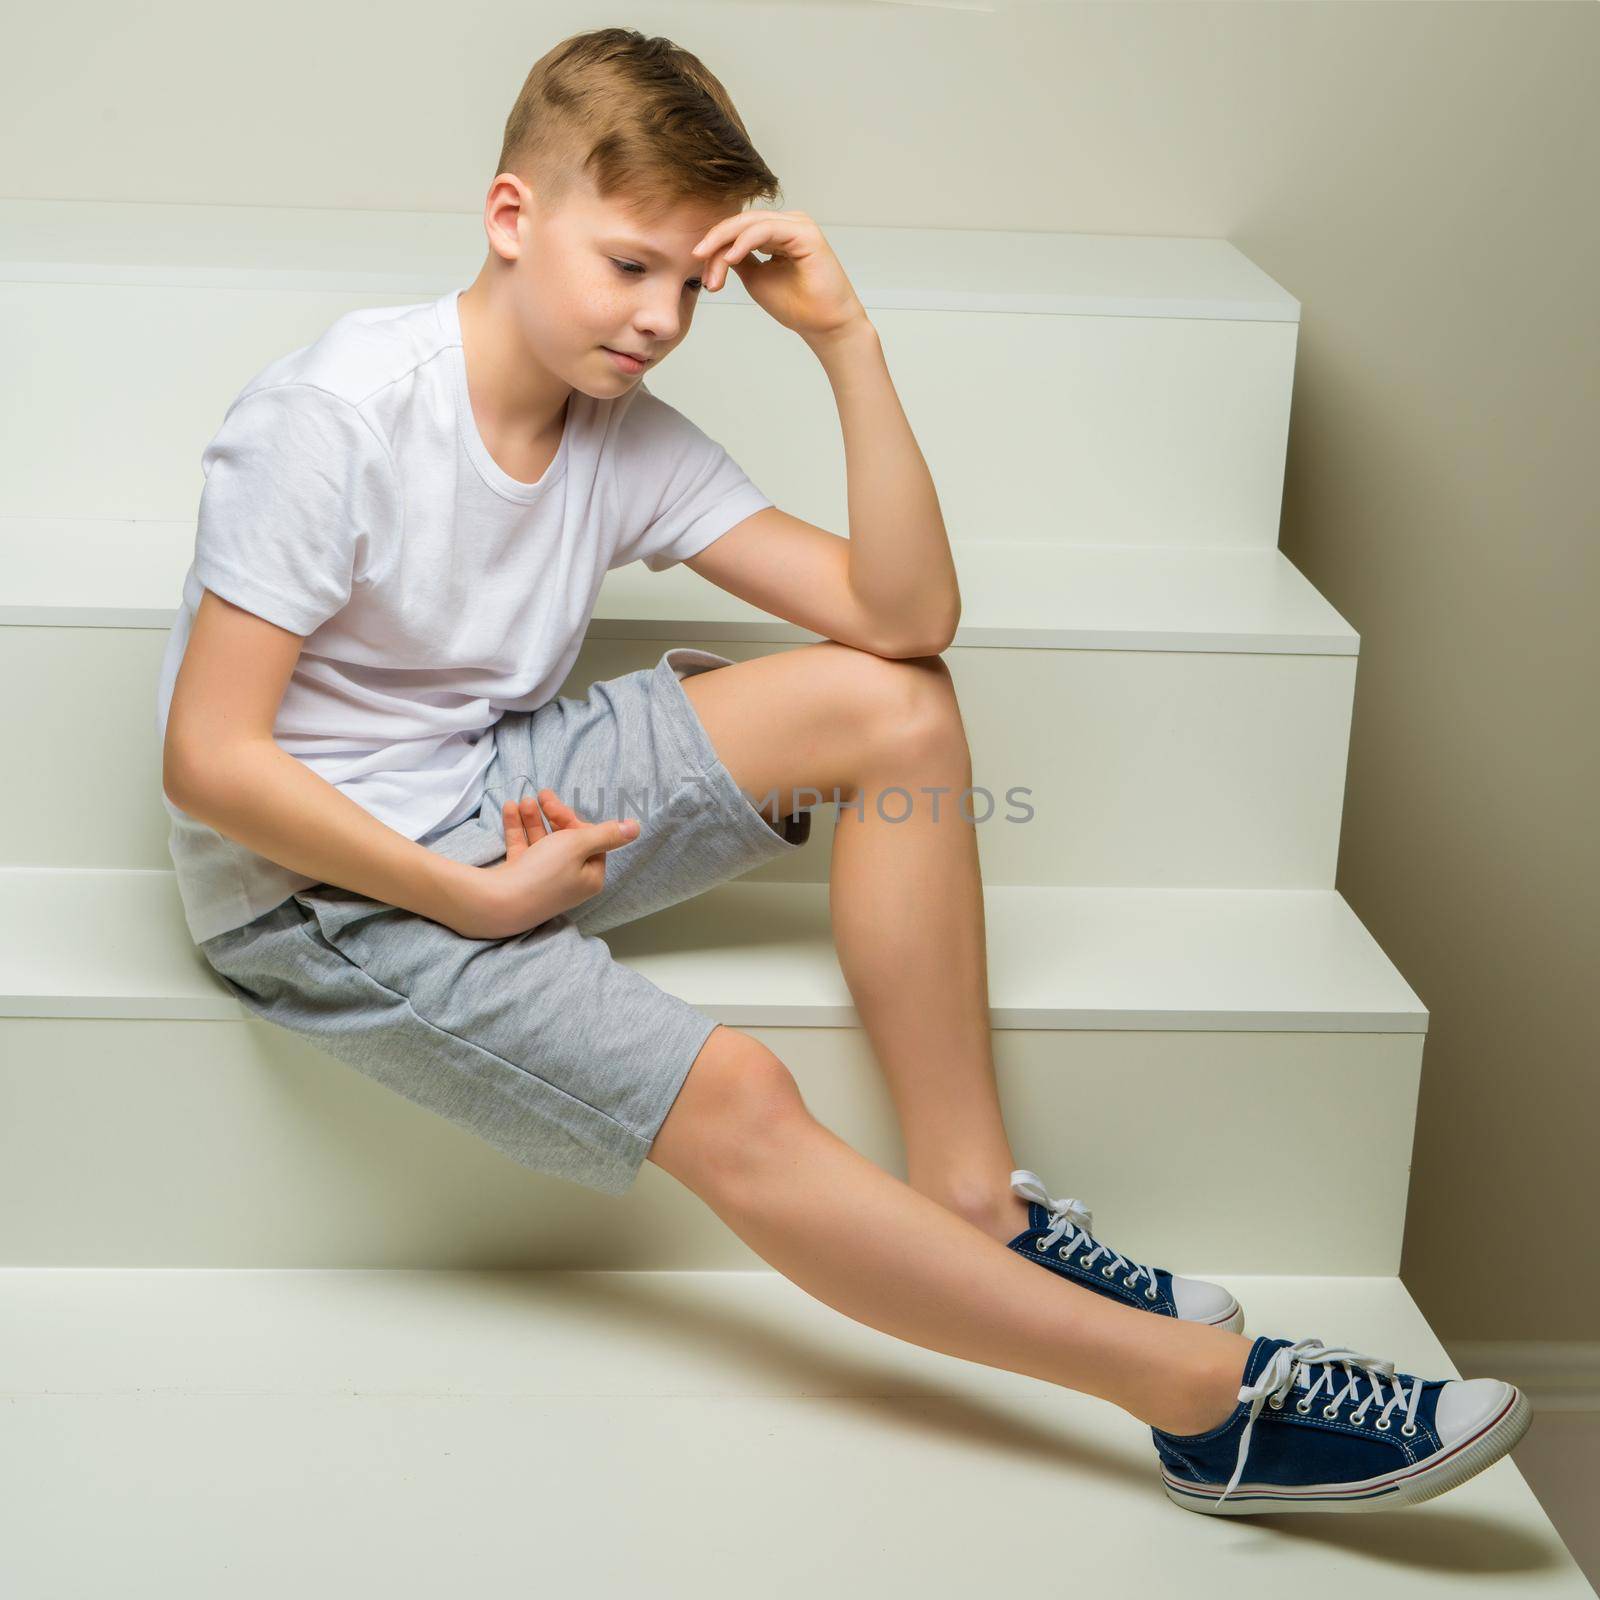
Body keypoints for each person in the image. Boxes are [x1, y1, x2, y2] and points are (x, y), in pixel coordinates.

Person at [153, 25, 1528, 1516]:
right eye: (629, 266)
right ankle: (1209, 1404)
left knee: (900, 709)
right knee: (739, 1089)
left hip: (486, 785)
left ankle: (974, 1199)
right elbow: (209, 762)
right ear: (510, 219)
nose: (665, 318)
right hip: (321, 894)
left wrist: (844, 341)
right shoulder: (337, 416)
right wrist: (466, 899)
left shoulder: (618, 430)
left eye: (694, 283)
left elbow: (907, 615)